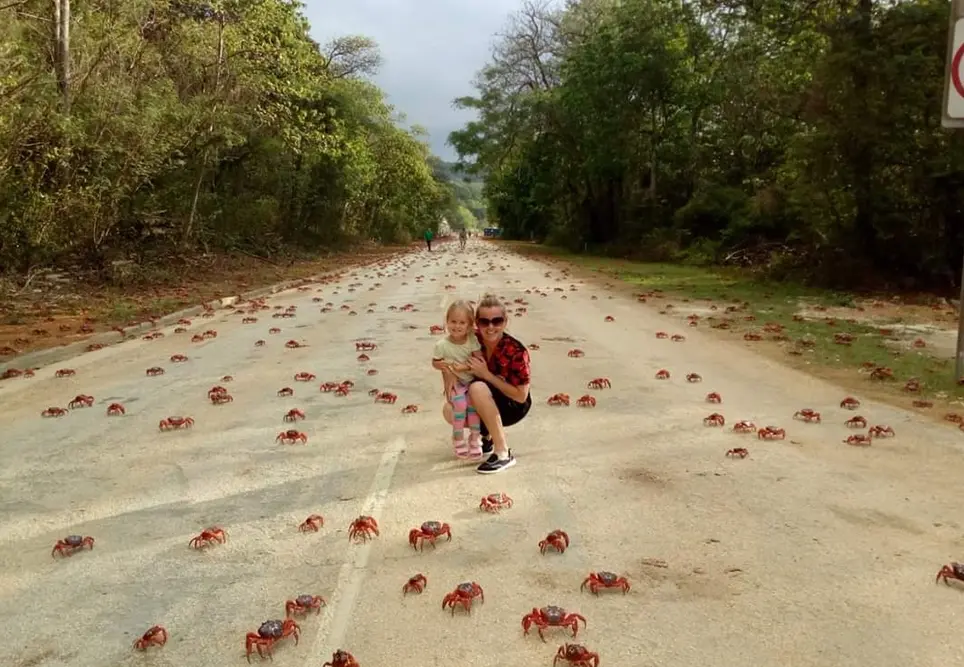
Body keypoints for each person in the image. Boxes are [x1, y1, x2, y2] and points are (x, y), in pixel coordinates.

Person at [440, 294, 531, 475]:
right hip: (483, 399)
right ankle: (487, 436)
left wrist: (487, 375)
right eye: (484, 322)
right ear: (476, 323)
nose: (490, 327)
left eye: (496, 321)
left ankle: (503, 453)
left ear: (505, 322)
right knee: (449, 411)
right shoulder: (472, 341)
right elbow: (446, 355)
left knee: (478, 386)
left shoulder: (517, 351)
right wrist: (448, 374)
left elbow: (521, 396)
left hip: (513, 405)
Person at [431, 300, 485, 460]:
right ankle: (458, 438)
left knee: (474, 407)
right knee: (459, 405)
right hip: (457, 384)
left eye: (462, 322)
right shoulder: (442, 345)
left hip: (471, 381)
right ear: (447, 322)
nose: (457, 326)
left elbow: (479, 360)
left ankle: (475, 438)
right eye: (453, 321)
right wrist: (445, 365)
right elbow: (435, 362)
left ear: (469, 325)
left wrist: (462, 367)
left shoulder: (471, 341)